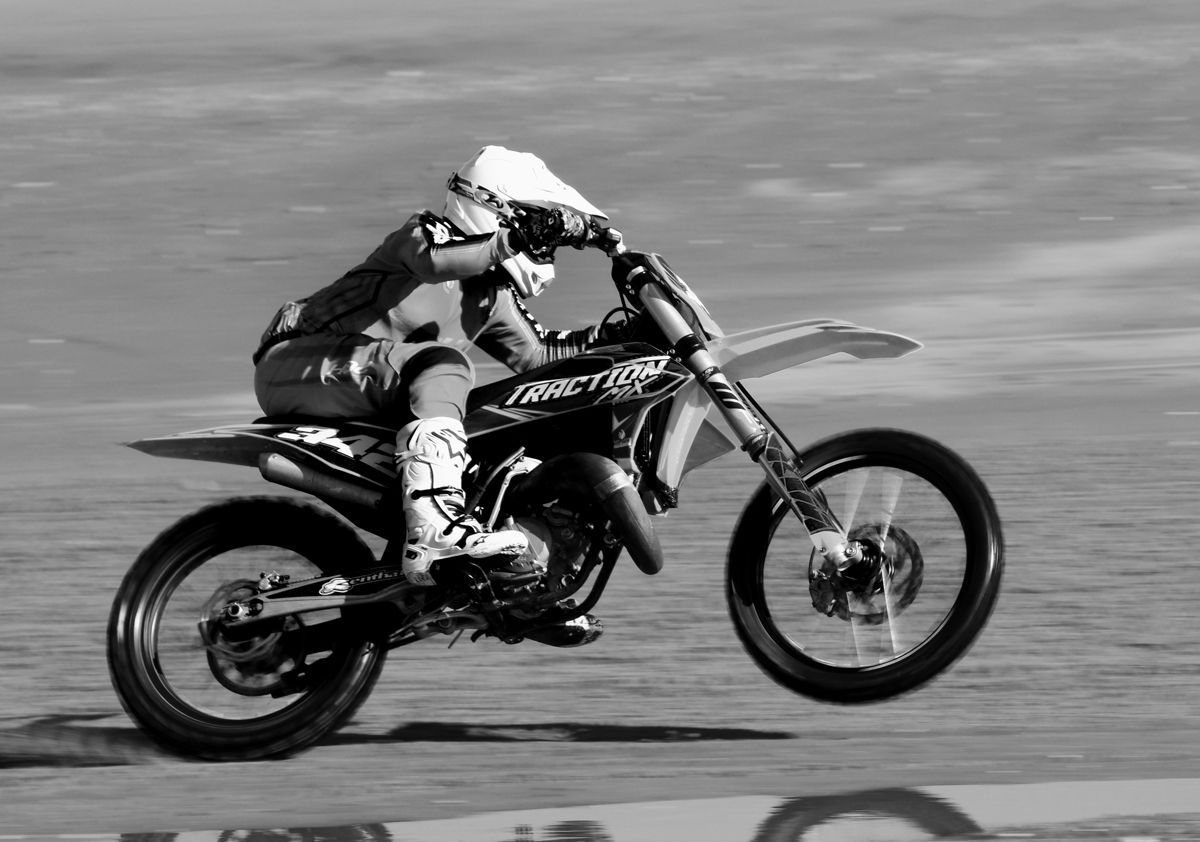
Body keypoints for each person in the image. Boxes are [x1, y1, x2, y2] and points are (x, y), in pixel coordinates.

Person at [252, 146, 617, 591]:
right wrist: (515, 239)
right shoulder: (424, 234)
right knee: (446, 363)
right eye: (539, 228)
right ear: (497, 209)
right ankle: (433, 527)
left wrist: (619, 336)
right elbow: (435, 262)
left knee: (520, 421)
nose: (545, 247)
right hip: (302, 361)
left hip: (370, 392)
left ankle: (524, 583)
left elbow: (540, 357)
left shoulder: (490, 296)